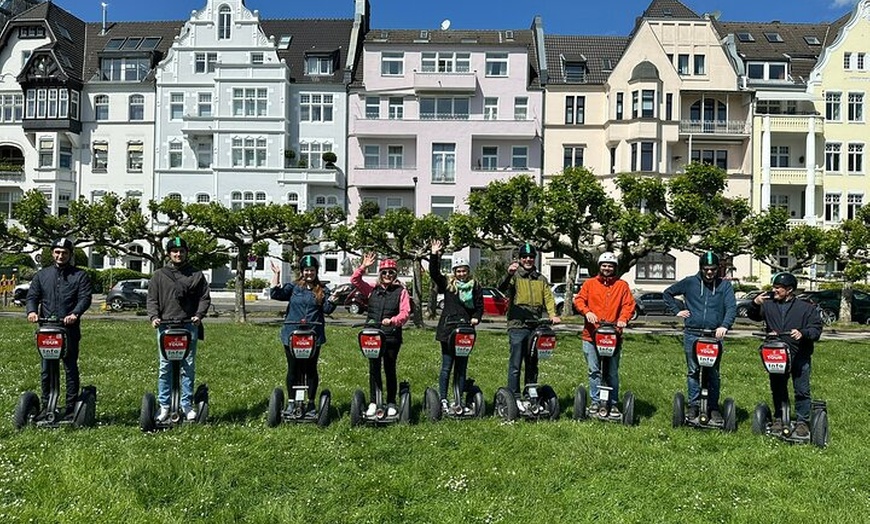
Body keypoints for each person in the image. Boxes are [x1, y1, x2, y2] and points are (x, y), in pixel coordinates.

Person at [663, 251, 737, 423]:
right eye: (706, 269)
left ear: (718, 269)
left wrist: (724, 325)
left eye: (713, 269)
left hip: (713, 335)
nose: (709, 273)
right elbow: (667, 293)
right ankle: (694, 405)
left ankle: (712, 407)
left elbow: (731, 307)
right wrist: (677, 311)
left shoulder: (724, 286)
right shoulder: (690, 282)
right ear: (701, 269)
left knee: (713, 373)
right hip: (692, 333)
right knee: (693, 371)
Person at [748, 272, 822, 438]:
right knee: (778, 388)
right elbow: (752, 316)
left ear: (789, 290)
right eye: (774, 287)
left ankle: (802, 421)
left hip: (800, 354)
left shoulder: (806, 308)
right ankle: (779, 418)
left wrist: (802, 333)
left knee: (801, 389)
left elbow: (816, 330)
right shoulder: (768, 304)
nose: (774, 290)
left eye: (778, 288)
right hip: (776, 353)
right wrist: (754, 303)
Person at [26, 237, 93, 418]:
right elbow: (32, 296)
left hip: (68, 329)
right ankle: (48, 405)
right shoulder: (42, 275)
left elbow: (85, 298)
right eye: (57, 252)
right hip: (47, 328)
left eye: (64, 253)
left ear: (70, 255)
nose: (60, 255)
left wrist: (75, 314)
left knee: (70, 367)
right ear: (52, 253)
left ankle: (71, 407)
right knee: (46, 368)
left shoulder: (79, 276)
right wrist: (32, 311)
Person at [146, 237, 212, 422]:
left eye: (181, 251)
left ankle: (186, 404)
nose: (178, 254)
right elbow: (152, 299)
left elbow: (204, 298)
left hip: (188, 325)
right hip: (165, 326)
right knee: (165, 367)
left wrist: (199, 315)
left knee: (187, 366)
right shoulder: (159, 275)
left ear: (186, 253)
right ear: (169, 254)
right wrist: (154, 317)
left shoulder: (196, 275)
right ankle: (164, 405)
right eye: (174, 251)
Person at [270, 255, 339, 415]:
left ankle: (311, 403)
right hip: (292, 334)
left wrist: (335, 298)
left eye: (312, 270)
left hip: (313, 335)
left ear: (316, 271)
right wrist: (277, 274)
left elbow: (328, 309)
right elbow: (275, 294)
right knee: (293, 369)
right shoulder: (294, 287)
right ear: (302, 271)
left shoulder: (322, 290)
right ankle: (292, 402)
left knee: (310, 369)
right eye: (307, 270)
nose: (309, 273)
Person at [498, 243, 560, 411]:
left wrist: (552, 314)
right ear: (520, 259)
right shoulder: (515, 276)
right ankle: (514, 395)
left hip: (535, 326)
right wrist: (508, 274)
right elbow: (501, 289)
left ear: (534, 259)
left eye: (531, 257)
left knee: (532, 362)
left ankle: (530, 393)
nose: (528, 260)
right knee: (516, 363)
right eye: (524, 257)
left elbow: (548, 297)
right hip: (518, 325)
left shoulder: (540, 279)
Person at [573, 251, 635, 418]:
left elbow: (628, 305)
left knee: (612, 372)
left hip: (613, 336)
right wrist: (586, 312)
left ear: (614, 268)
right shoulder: (590, 284)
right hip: (591, 335)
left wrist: (623, 319)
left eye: (610, 266)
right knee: (594, 370)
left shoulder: (622, 286)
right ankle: (595, 402)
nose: (607, 268)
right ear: (600, 267)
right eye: (604, 265)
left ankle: (613, 403)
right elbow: (579, 300)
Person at [351, 252, 411, 417]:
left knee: (390, 369)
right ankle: (373, 401)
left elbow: (406, 312)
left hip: (391, 336)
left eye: (391, 272)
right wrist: (363, 266)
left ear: (395, 274)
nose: (387, 275)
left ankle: (391, 401)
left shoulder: (401, 291)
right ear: (380, 274)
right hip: (372, 336)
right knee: (374, 369)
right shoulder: (372, 289)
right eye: (384, 272)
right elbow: (355, 280)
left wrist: (393, 320)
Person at [429, 240, 484, 413]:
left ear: (468, 271)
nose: (461, 274)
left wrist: (476, 317)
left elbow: (480, 306)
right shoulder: (448, 285)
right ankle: (443, 398)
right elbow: (434, 273)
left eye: (464, 271)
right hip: (447, 329)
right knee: (447, 366)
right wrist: (434, 255)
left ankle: (458, 397)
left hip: (466, 330)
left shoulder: (474, 286)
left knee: (461, 366)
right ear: (454, 272)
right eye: (458, 271)